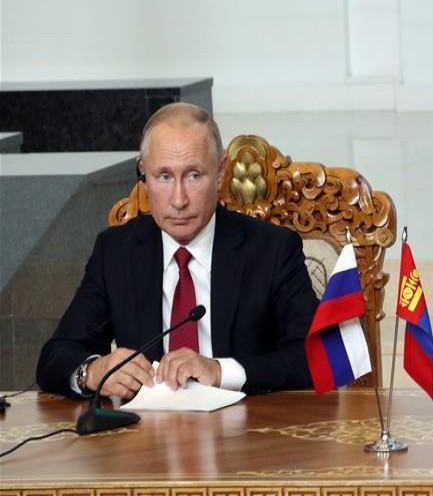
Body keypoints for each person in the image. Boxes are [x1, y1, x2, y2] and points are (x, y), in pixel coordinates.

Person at [37, 103, 319, 399]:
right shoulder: (117, 252)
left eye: (194, 175)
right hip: (146, 437)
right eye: (164, 177)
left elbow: (315, 356)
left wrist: (221, 371)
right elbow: (55, 356)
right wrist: (93, 372)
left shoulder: (272, 249)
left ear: (221, 173)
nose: (179, 199)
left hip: (246, 432)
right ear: (143, 173)